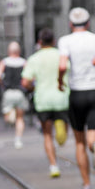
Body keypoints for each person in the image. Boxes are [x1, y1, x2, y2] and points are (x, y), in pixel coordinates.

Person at [58, 8, 95, 189]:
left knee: (79, 142)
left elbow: (62, 65)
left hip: (76, 93)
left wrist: (59, 80)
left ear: (71, 24)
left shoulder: (65, 41)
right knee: (92, 135)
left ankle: (87, 186)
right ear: (88, 23)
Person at [21, 29, 69, 179]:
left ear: (39, 42)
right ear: (54, 41)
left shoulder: (34, 58)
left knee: (47, 134)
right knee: (62, 124)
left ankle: (53, 165)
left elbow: (25, 82)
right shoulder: (60, 56)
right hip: (61, 98)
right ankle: (62, 132)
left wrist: (34, 88)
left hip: (43, 100)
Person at [0, 42, 29, 148]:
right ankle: (18, 139)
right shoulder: (24, 62)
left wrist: (2, 83)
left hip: (8, 92)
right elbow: (29, 77)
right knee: (20, 118)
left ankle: (11, 118)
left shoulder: (4, 62)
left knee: (8, 116)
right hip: (20, 92)